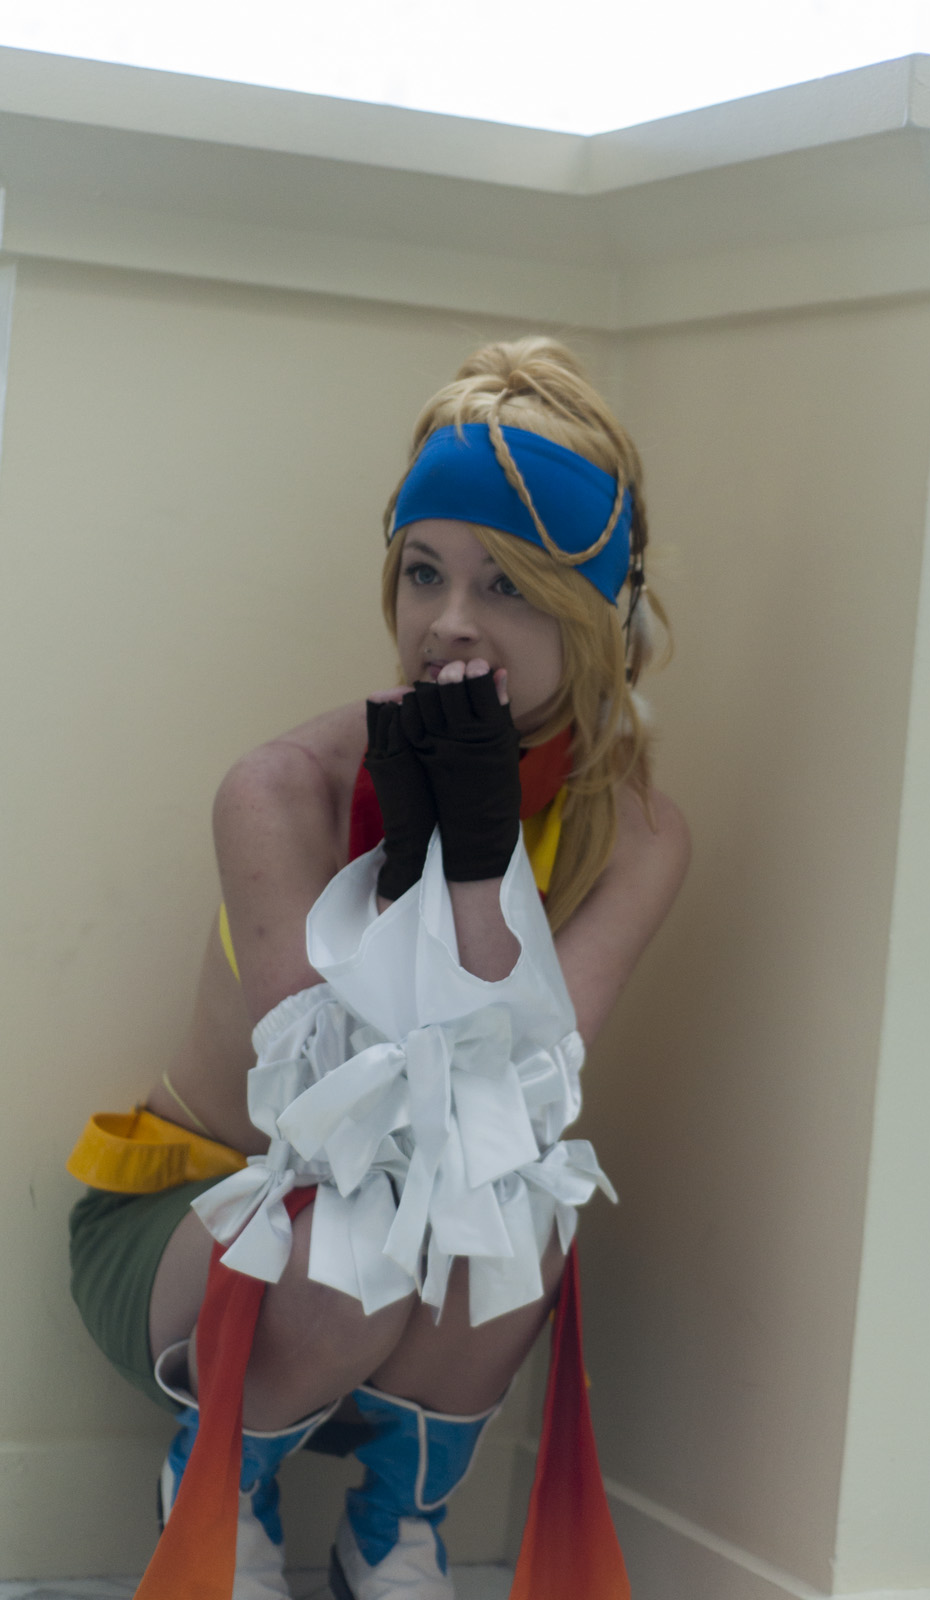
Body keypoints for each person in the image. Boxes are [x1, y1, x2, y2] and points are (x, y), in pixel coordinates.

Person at [67, 336, 690, 1600]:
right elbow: (339, 1117)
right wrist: (424, 848)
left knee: (518, 1217)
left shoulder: (635, 835)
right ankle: (214, 1490)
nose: (449, 621)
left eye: (506, 584)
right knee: (349, 1231)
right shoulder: (283, 790)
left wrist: (473, 859)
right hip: (203, 1229)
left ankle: (392, 1530)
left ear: (593, 615)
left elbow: (509, 1115)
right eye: (423, 571)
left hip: (397, 1257)